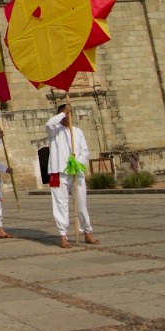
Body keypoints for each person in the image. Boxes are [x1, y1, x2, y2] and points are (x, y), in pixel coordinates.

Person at [45, 104, 99, 248]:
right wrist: (63, 113)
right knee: (60, 203)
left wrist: (77, 162)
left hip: (76, 171)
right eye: (64, 114)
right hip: (58, 171)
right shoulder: (53, 131)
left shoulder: (77, 132)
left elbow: (85, 151)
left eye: (69, 114)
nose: (68, 116)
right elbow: (49, 123)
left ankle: (87, 231)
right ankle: (63, 234)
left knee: (81, 202)